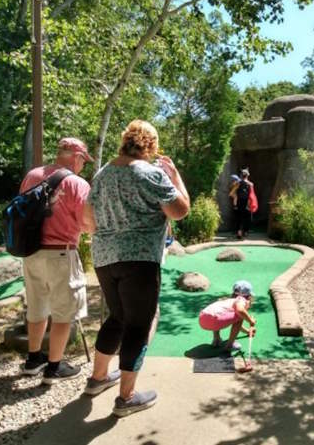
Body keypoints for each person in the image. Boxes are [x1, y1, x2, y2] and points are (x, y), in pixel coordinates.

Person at [82, 119, 189, 418]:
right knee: (138, 326)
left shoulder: (102, 174)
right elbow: (180, 211)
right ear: (150, 146)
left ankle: (98, 378)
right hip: (139, 259)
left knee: (117, 317)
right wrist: (176, 177)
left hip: (104, 258)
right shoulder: (149, 173)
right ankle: (126, 398)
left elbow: (87, 220)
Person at [19, 137, 94, 384]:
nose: (83, 164)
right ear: (76, 156)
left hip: (31, 252)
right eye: (84, 159)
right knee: (64, 312)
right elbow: (86, 222)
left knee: (36, 305)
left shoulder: (32, 176)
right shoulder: (77, 183)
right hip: (61, 252)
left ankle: (33, 359)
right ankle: (54, 367)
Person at [198, 280, 257, 352]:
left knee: (218, 312)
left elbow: (236, 322)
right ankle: (229, 345)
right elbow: (240, 310)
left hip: (203, 318)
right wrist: (251, 321)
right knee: (240, 316)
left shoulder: (227, 300)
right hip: (215, 319)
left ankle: (216, 339)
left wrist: (247, 332)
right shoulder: (241, 299)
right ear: (249, 296)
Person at [235, 169, 254, 239]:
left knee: (239, 217)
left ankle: (239, 232)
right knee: (248, 217)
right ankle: (245, 232)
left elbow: (233, 192)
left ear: (241, 176)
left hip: (239, 202)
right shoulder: (251, 184)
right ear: (247, 176)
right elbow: (252, 195)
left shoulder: (238, 183)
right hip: (247, 203)